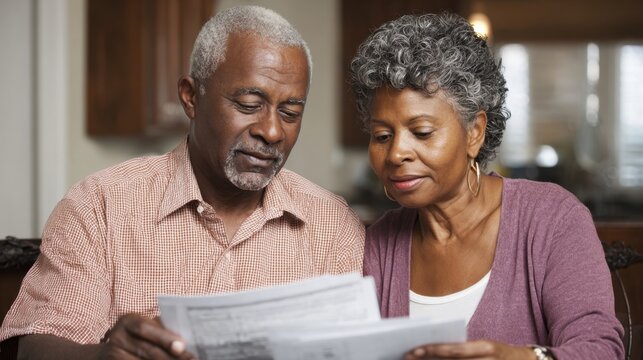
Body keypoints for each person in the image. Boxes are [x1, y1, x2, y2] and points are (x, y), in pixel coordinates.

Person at [0, 5, 365, 359]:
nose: (271, 131)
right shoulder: (100, 205)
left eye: (290, 113)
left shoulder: (332, 225)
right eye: (249, 104)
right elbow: (35, 347)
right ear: (191, 97)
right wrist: (103, 357)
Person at [350, 12, 623, 360]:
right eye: (381, 136)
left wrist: (526, 357)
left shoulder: (552, 219)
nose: (396, 153)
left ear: (475, 132)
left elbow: (600, 350)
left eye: (421, 132)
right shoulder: (377, 246)